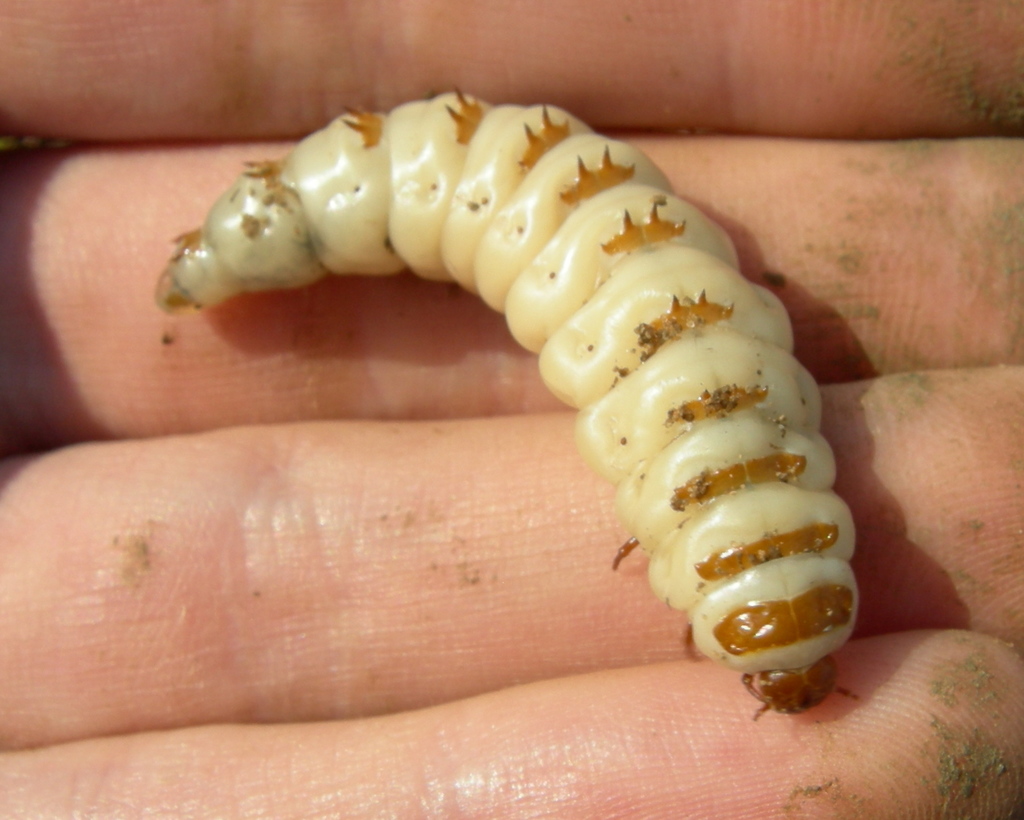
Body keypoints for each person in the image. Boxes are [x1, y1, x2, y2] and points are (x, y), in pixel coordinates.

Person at [0, 1, 1022, 815]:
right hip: (458, 184)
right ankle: (265, 231)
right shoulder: (716, 415)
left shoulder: (733, 414)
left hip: (495, 189)